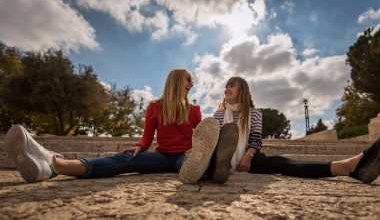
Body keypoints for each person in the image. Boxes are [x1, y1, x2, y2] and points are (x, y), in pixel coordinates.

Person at [4, 68, 222, 183]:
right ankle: (54, 165)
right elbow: (147, 137)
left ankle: (201, 167)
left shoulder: (194, 110)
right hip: (162, 156)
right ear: (175, 82)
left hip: (185, 154)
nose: (192, 84)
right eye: (188, 80)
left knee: (192, 161)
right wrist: (139, 147)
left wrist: (196, 147)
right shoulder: (155, 106)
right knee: (127, 159)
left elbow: (199, 135)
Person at [181, 76, 380, 184]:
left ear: (242, 90)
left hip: (248, 157)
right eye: (226, 85)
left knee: (282, 163)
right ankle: (218, 166)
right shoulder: (218, 115)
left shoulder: (254, 114)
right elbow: (210, 139)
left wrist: (248, 154)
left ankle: (347, 167)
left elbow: (255, 139)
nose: (226, 88)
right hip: (221, 156)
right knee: (215, 147)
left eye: (232, 85)